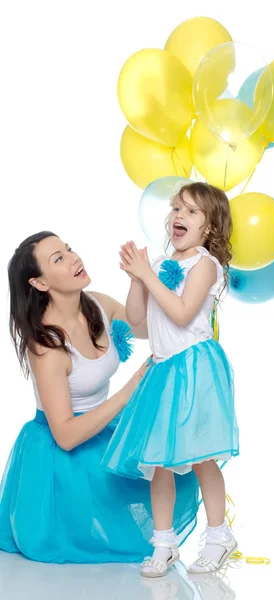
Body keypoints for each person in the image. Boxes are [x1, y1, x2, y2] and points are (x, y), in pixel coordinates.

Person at [0, 231, 199, 564]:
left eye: (69, 249)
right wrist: (127, 392)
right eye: (58, 259)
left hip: (105, 427)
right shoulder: (46, 345)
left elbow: (146, 327)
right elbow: (64, 435)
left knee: (174, 468)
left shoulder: (96, 303)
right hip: (62, 450)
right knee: (117, 515)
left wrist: (140, 280)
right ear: (39, 283)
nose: (74, 258)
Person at [102, 182, 240, 577]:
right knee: (158, 462)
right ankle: (164, 542)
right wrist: (136, 278)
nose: (180, 215)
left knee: (200, 456)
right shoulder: (163, 262)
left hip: (194, 367)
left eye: (192, 212)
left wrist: (149, 274)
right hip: (163, 370)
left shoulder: (204, 264)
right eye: (177, 208)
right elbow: (137, 320)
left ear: (210, 228)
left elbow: (181, 314)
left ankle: (218, 535)